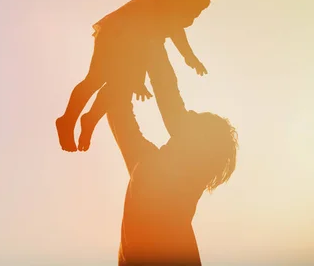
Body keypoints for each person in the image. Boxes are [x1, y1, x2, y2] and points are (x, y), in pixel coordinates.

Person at [102, 42, 238, 265]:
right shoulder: (147, 164)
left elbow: (167, 99)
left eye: (194, 118)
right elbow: (119, 111)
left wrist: (151, 43)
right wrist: (128, 66)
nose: (189, 113)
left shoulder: (178, 173)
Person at [56, 0, 213, 152]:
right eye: (199, 3)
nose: (198, 12)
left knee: (118, 88)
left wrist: (190, 57)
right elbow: (139, 42)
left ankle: (90, 120)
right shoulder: (155, 7)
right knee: (96, 79)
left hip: (136, 44)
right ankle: (67, 120)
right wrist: (138, 79)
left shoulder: (174, 14)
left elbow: (176, 35)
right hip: (115, 35)